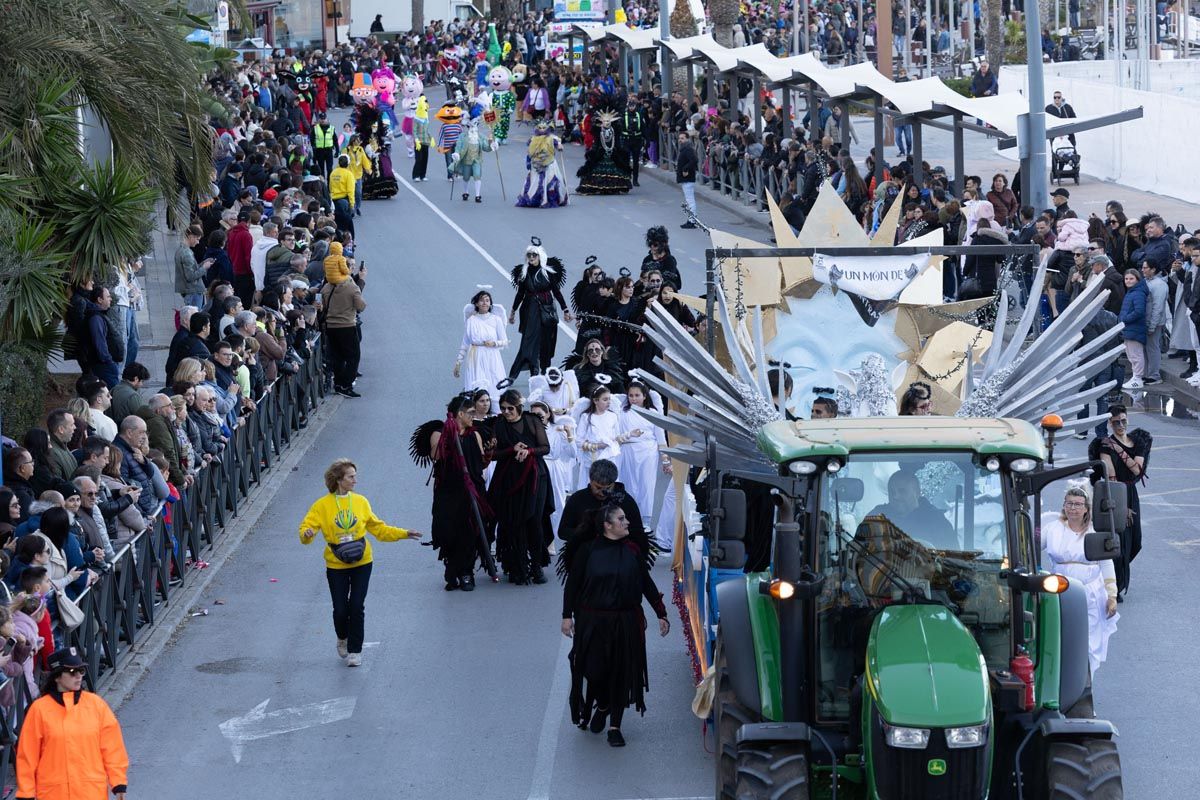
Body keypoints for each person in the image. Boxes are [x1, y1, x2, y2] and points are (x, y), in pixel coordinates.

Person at [560, 503, 669, 747]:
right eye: (621, 519)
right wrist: (567, 616)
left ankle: (615, 726)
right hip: (593, 622)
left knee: (621, 671)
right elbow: (573, 585)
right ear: (607, 525)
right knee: (594, 670)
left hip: (625, 621)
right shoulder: (587, 552)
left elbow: (646, 583)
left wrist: (661, 614)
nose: (627, 522)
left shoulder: (632, 551)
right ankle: (604, 703)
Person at [299, 459, 422, 667]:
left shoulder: (361, 502)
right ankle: (342, 637)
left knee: (356, 606)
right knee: (340, 610)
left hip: (362, 562)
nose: (355, 480)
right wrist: (307, 534)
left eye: (355, 476)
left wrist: (404, 533)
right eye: (351, 477)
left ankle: (355, 651)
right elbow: (306, 530)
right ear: (339, 480)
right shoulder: (322, 506)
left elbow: (379, 529)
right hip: (336, 564)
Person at [16, 647, 129, 800]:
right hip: (54, 794)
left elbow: (112, 747)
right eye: (71, 672)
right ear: (57, 677)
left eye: (81, 671)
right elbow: (27, 756)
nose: (78, 676)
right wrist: (26, 793)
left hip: (91, 793)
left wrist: (118, 782)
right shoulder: (39, 710)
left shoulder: (96, 705)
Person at [415, 394, 491, 592]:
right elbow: (436, 455)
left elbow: (481, 462)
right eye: (471, 413)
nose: (474, 416)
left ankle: (467, 573)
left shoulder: (475, 434)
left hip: (472, 491)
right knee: (449, 532)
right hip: (448, 492)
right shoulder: (439, 433)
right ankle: (451, 569)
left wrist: (489, 455)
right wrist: (449, 435)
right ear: (460, 414)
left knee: (468, 533)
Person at [1041, 484, 1118, 673]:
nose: (1073, 508)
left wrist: (1112, 595)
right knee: (1061, 636)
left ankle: (1085, 678)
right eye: (1069, 504)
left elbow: (1106, 563)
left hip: (1090, 593)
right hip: (1059, 591)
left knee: (1089, 639)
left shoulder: (1094, 531)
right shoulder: (1053, 528)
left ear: (1086, 508)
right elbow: (1030, 547)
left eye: (1077, 504)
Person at [487, 390, 553, 585]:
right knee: (512, 522)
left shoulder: (532, 421)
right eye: (503, 408)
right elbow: (494, 454)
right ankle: (517, 565)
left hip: (535, 478)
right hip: (509, 479)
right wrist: (511, 450)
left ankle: (536, 566)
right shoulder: (498, 424)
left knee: (534, 520)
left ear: (519, 408)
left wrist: (529, 451)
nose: (506, 412)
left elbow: (545, 447)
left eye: (510, 408)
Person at [1091, 405, 1149, 601]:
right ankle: (1114, 585)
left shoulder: (1138, 441)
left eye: (1123, 420)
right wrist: (1121, 507)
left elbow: (1137, 472)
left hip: (1131, 492)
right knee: (1118, 542)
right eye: (1116, 422)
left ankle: (1116, 576)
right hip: (1113, 494)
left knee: (1135, 541)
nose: (1121, 425)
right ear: (1110, 423)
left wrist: (1120, 450)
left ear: (1128, 419)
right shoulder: (1105, 445)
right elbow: (1111, 476)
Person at [503, 239, 570, 384]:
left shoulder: (547, 273)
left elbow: (556, 292)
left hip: (547, 311)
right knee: (528, 341)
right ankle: (520, 372)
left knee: (546, 342)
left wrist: (565, 309)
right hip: (530, 311)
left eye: (534, 255)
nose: (531, 258)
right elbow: (520, 294)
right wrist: (513, 311)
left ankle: (545, 371)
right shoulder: (524, 273)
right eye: (529, 255)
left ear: (540, 256)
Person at [617, 382, 667, 529]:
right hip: (627, 451)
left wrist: (665, 460)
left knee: (647, 485)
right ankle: (629, 518)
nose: (634, 398)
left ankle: (645, 522)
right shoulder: (622, 413)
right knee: (629, 484)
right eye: (631, 395)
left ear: (645, 396)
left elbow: (660, 437)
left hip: (648, 452)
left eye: (637, 395)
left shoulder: (653, 412)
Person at [866, 470, 957, 550]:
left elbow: (951, 561)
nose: (895, 496)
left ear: (917, 492)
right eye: (892, 492)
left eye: (902, 491)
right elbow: (859, 549)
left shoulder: (937, 522)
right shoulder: (877, 517)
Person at [454, 290, 508, 412]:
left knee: (494, 384)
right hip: (475, 356)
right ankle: (476, 415)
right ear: (477, 303)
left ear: (490, 303)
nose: (485, 302)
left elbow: (504, 341)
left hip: (492, 356)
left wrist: (494, 343)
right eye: (482, 300)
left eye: (487, 300)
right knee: (477, 385)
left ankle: (496, 413)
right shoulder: (471, 320)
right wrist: (458, 362)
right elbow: (465, 342)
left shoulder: (496, 319)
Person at [321, 261, 367, 398]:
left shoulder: (327, 287)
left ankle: (338, 383)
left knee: (338, 357)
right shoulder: (351, 287)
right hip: (346, 325)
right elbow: (361, 306)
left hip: (330, 326)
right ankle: (346, 385)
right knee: (353, 357)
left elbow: (322, 304)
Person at [1118, 269, 1148, 388]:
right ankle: (1135, 377)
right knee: (1131, 354)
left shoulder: (1138, 293)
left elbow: (1139, 311)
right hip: (1129, 328)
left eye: (1131, 278)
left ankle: (1138, 378)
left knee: (1136, 355)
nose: (1128, 281)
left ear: (1137, 279)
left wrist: (1125, 319)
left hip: (1134, 328)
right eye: (1126, 279)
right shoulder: (1132, 292)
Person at [1141, 260, 1168, 385]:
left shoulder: (1159, 285)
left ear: (1153, 269)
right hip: (1146, 320)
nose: (1143, 270)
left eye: (1145, 268)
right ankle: (1148, 373)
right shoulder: (1147, 281)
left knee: (1152, 348)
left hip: (1154, 322)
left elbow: (1158, 306)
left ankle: (1154, 375)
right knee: (1147, 349)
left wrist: (1152, 325)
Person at [676, 133, 699, 229]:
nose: (680, 140)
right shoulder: (685, 148)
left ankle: (692, 221)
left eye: (682, 138)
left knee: (690, 200)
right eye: (679, 138)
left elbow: (694, 160)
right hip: (686, 178)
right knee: (689, 200)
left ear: (687, 139)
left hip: (688, 178)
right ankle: (691, 219)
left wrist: (685, 169)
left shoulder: (688, 148)